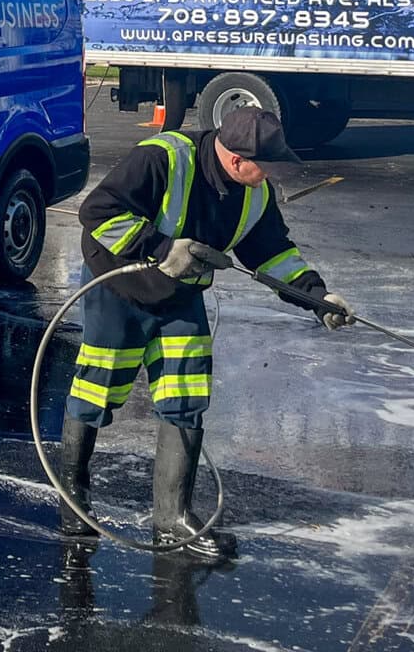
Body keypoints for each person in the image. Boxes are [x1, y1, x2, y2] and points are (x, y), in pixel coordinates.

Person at [55, 106, 353, 561]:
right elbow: (98, 213)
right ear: (236, 160)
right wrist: (159, 248)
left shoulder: (255, 194)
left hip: (180, 294)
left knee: (186, 394)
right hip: (118, 285)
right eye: (266, 165)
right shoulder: (162, 157)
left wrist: (318, 298)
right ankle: (72, 498)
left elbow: (272, 253)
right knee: (98, 389)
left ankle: (172, 520)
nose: (272, 174)